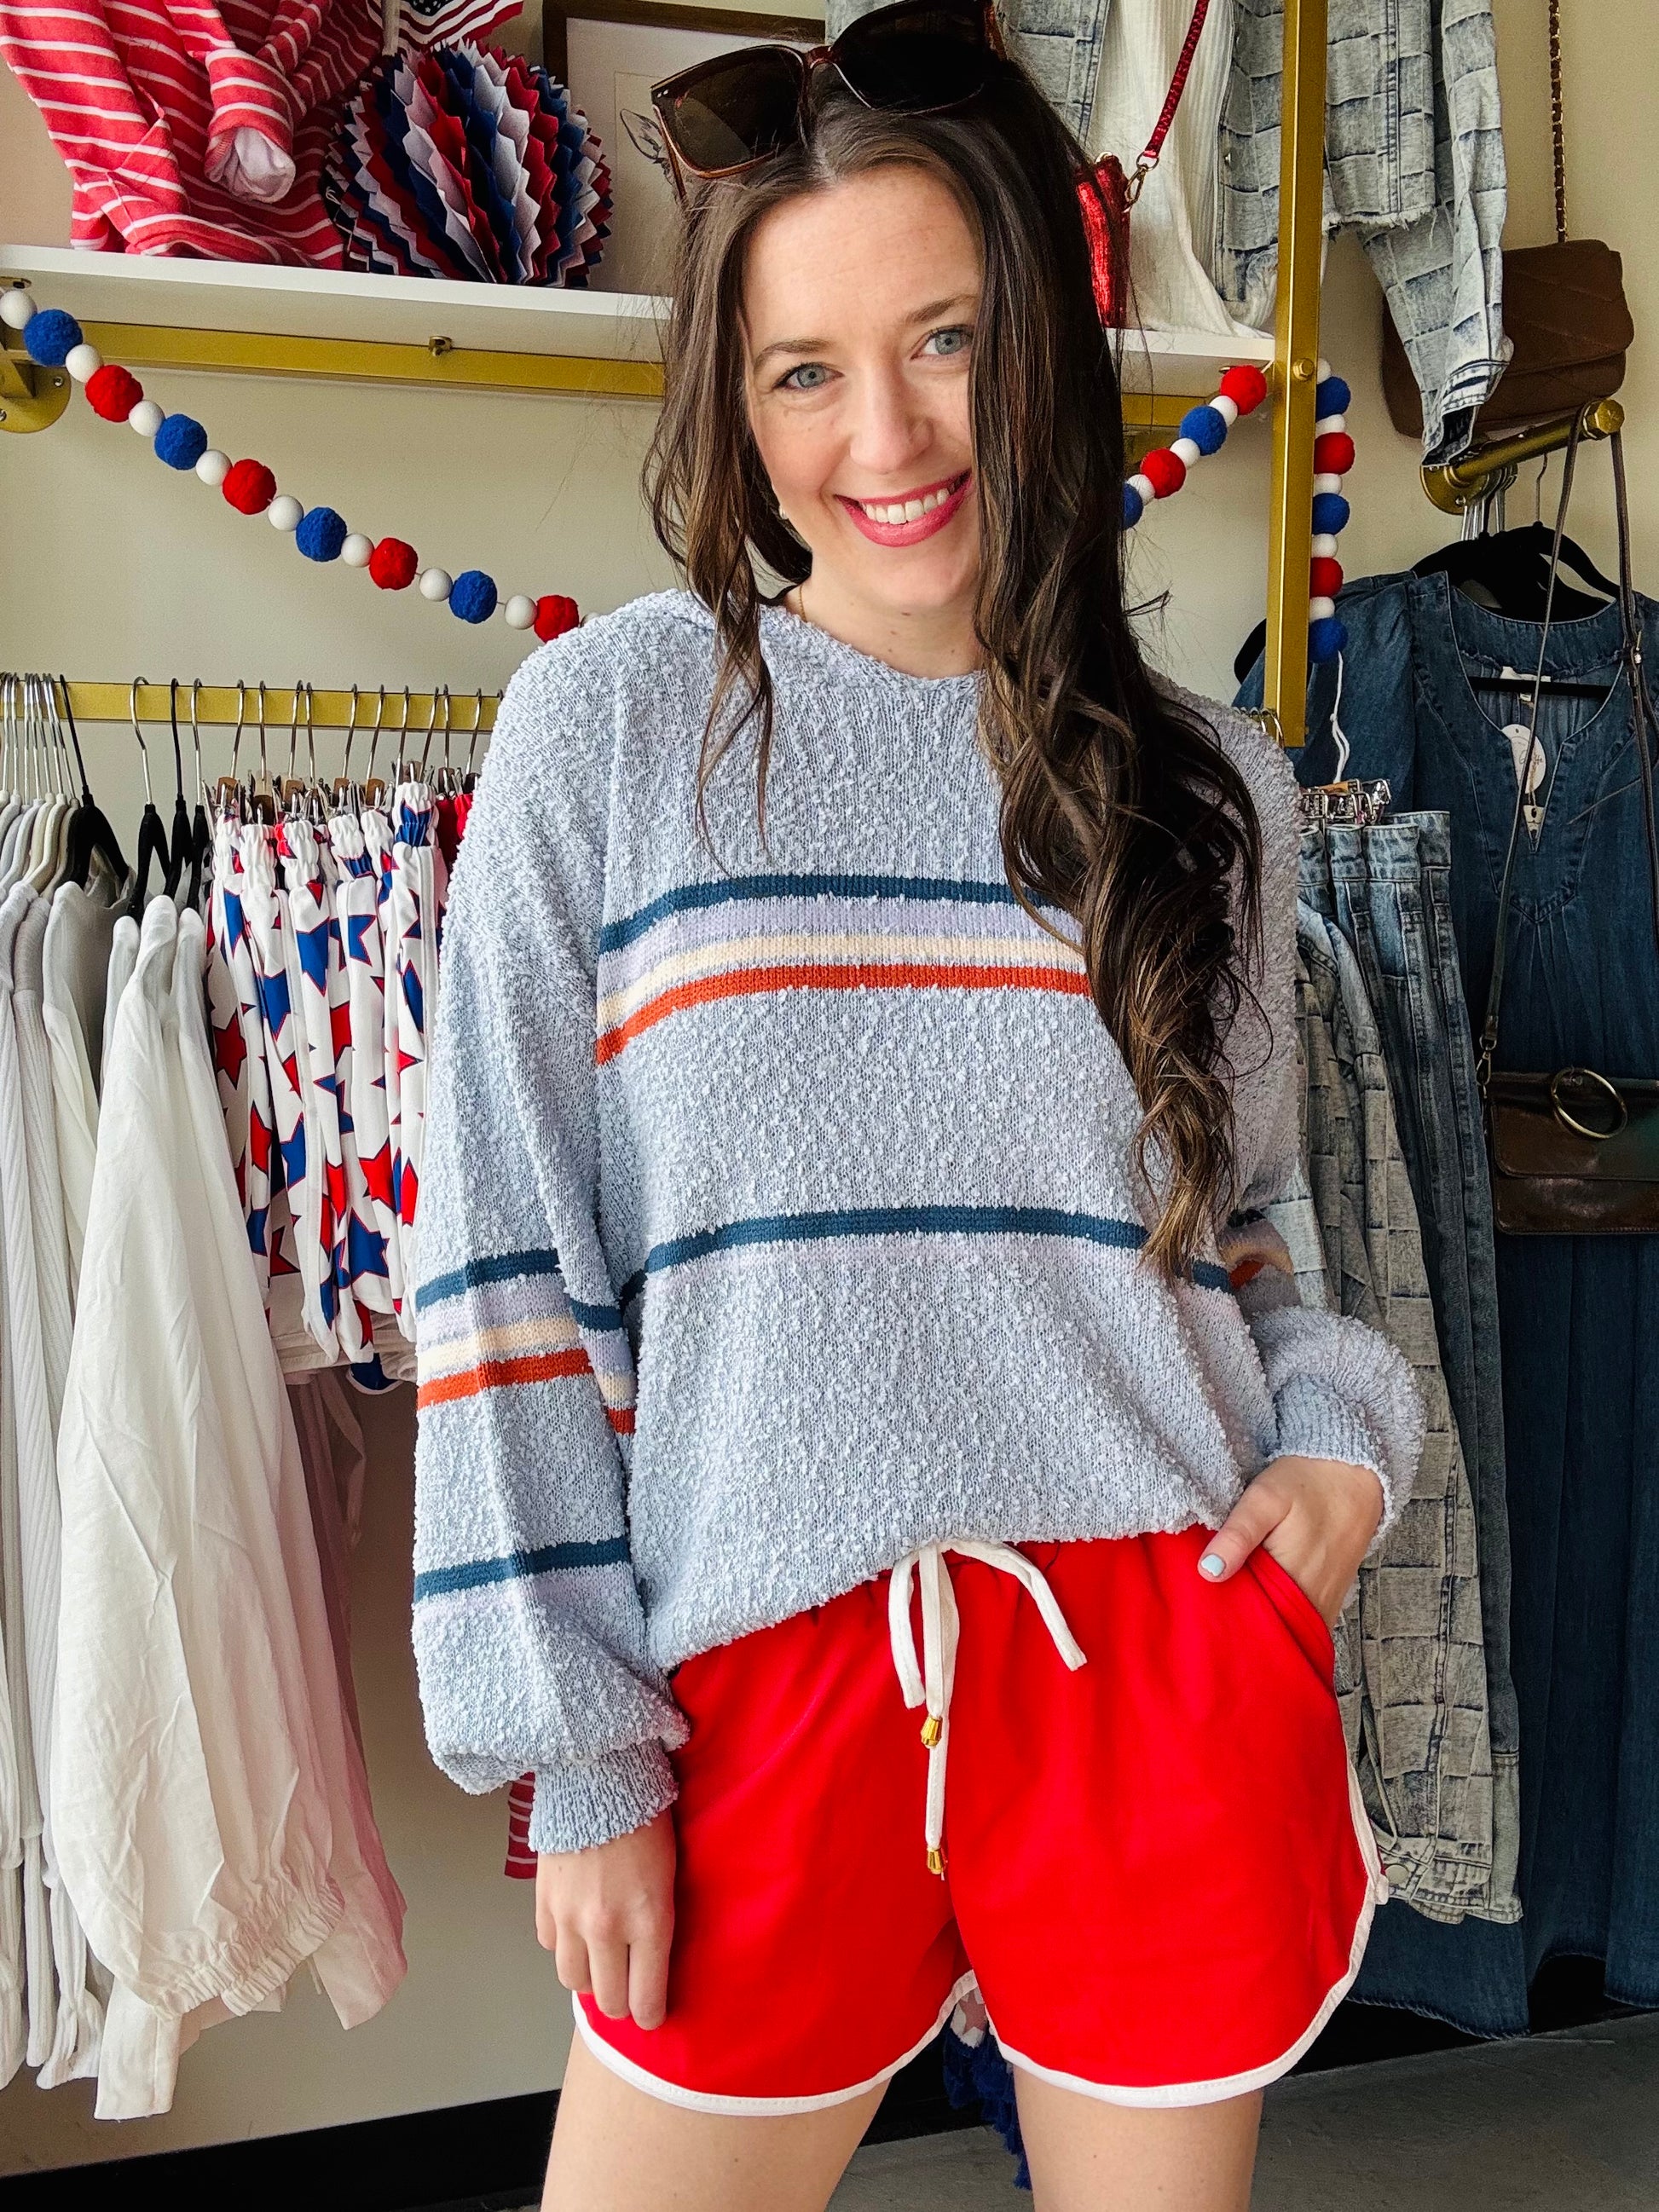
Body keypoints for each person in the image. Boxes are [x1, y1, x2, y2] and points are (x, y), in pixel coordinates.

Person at [411, 5, 1422, 2204]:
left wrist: (1341, 1449)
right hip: (762, 1676)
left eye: (949, 339)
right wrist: (577, 1754)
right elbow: (500, 1260)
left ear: (1045, 345)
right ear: (739, 404)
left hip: (1152, 1654)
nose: (888, 432)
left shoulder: (1209, 789)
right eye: (804, 369)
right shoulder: (608, 734)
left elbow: (1251, 1236)